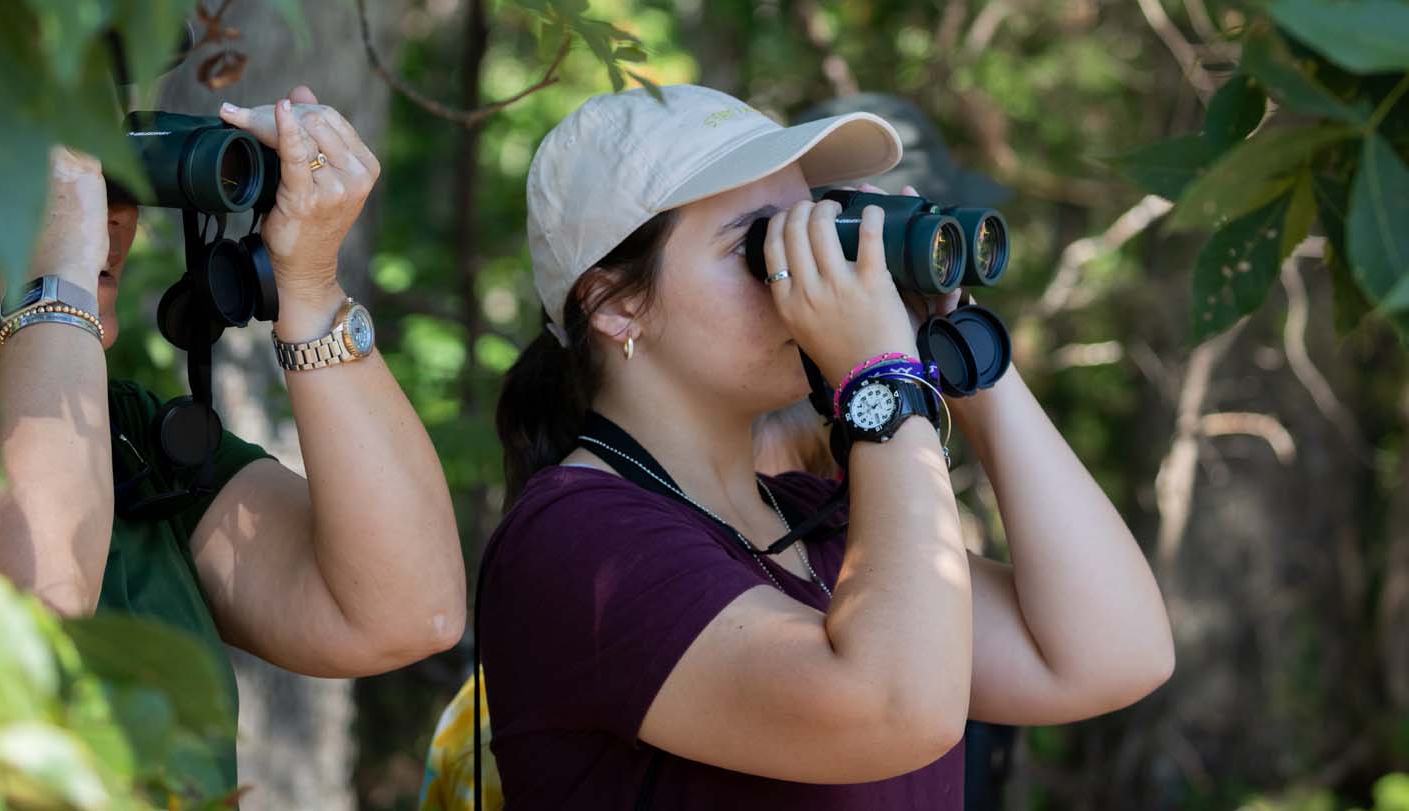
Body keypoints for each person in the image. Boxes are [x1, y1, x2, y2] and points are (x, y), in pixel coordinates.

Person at [477, 84, 1175, 809]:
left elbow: (1113, 653)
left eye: (814, 226)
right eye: (759, 243)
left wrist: (952, 341)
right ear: (615, 304)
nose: (807, 275)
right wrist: (881, 377)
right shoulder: (576, 541)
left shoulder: (821, 523)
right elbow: (893, 707)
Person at [0, 75, 467, 802]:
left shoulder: (129, 438)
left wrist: (310, 284)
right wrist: (57, 284)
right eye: (52, 168)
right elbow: (33, 630)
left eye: (114, 171)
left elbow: (405, 611)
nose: (101, 215)